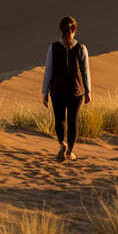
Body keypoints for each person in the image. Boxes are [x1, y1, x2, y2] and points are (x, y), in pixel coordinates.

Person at [41, 15, 91, 161]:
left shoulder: (53, 47)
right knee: (72, 122)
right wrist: (88, 91)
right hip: (76, 92)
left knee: (59, 120)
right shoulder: (81, 48)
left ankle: (62, 144)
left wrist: (44, 92)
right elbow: (85, 71)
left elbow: (48, 70)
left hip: (57, 91)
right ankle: (69, 151)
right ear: (74, 30)